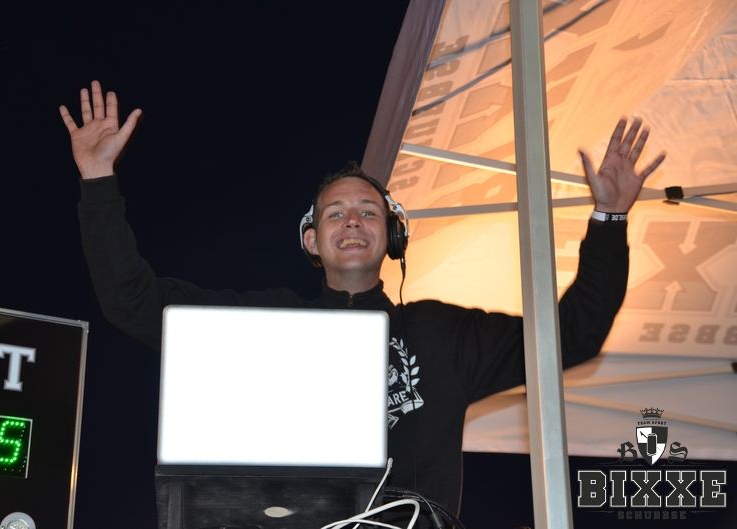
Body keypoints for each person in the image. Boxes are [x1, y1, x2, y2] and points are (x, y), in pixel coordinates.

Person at [59, 80, 665, 514]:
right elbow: (132, 301)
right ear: (311, 240)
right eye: (336, 213)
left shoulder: (444, 335)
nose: (352, 221)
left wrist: (609, 220)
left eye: (368, 212)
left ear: (393, 237)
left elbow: (574, 334)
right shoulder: (267, 323)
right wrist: (97, 181)